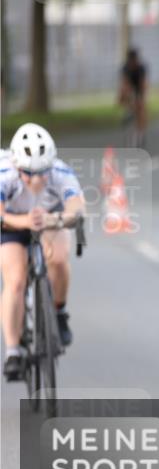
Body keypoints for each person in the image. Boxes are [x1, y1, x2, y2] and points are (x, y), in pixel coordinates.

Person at [1, 123, 85, 380]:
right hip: (12, 222)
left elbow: (77, 208)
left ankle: (58, 312)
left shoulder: (61, 172)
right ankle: (13, 351)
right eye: (28, 173)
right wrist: (23, 221)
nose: (36, 180)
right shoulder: (4, 173)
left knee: (59, 259)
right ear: (17, 166)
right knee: (15, 280)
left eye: (42, 172)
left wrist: (56, 220)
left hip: (50, 218)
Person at [118, 48, 149, 149]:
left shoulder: (141, 68)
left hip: (139, 87)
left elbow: (143, 84)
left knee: (141, 107)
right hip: (129, 86)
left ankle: (141, 133)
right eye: (131, 62)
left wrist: (140, 100)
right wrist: (123, 98)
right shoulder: (125, 68)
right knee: (123, 93)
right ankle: (128, 111)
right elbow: (124, 83)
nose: (132, 64)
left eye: (134, 61)